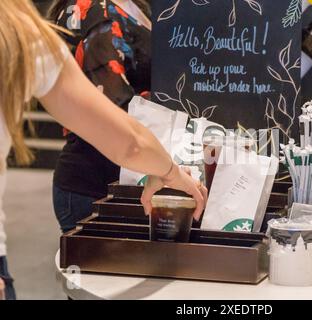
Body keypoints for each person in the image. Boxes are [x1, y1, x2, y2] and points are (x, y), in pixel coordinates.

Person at [0, 0, 207, 300]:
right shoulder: (42, 24)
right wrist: (168, 171)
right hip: (101, 180)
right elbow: (124, 131)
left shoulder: (23, 31)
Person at [48, 0, 153, 233]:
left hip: (120, 177)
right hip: (98, 187)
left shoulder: (129, 6)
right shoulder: (96, 11)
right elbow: (114, 104)